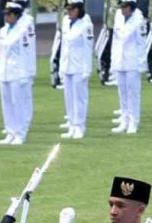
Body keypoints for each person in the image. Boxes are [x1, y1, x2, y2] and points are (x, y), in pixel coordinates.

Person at [0, 1, 33, 144]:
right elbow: (1, 53)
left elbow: (26, 52)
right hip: (4, 71)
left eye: (9, 14)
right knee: (7, 104)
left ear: (16, 15)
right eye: (5, 14)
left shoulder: (23, 30)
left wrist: (26, 73)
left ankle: (20, 133)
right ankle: (10, 132)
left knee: (19, 103)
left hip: (18, 71)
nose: (6, 17)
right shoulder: (3, 30)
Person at [58, 0, 93, 139]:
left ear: (79, 10)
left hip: (79, 66)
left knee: (79, 98)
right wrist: (61, 66)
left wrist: (86, 69)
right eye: (68, 9)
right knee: (69, 98)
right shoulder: (66, 22)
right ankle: (72, 125)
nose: (69, 12)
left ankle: (79, 126)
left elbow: (88, 48)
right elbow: (64, 46)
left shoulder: (86, 25)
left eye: (72, 9)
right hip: (67, 65)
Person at [110, 0, 147, 133]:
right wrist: (113, 60)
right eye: (121, 6)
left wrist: (141, 64)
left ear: (131, 7)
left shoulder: (139, 19)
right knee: (122, 92)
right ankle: (124, 121)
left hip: (133, 61)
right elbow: (115, 40)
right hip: (119, 59)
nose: (122, 9)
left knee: (133, 93)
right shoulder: (118, 16)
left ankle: (133, 122)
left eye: (124, 7)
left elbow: (141, 43)